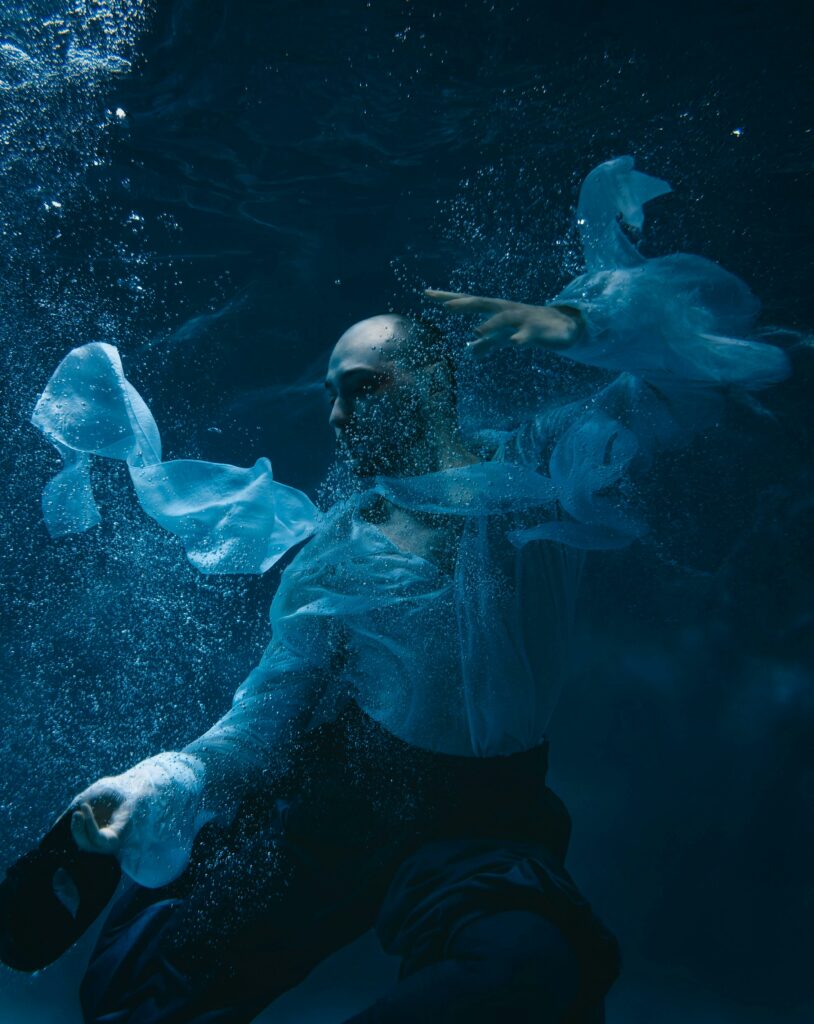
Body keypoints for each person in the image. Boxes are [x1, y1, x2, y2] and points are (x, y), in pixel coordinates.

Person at [28, 157, 790, 1023]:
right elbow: (265, 714)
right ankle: (164, 873)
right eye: (331, 397)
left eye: (362, 389)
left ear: (432, 385)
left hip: (486, 817)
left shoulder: (541, 470)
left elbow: (715, 383)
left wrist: (592, 329)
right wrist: (165, 777)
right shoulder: (336, 549)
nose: (339, 417)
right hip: (342, 795)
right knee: (139, 996)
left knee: (532, 969)